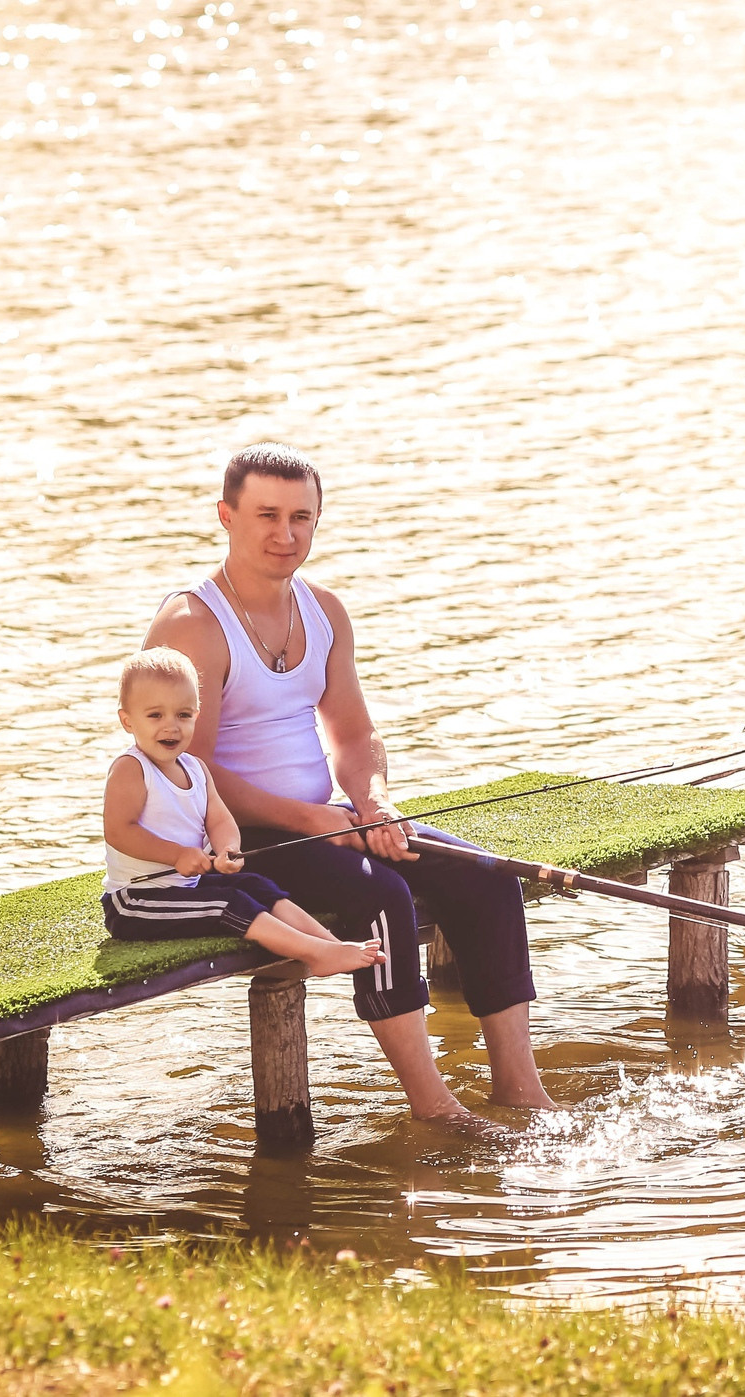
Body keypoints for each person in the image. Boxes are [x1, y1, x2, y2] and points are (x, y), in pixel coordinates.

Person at [142, 443, 558, 1126]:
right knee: (380, 893)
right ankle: (434, 1106)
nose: (286, 534)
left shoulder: (325, 609)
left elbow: (355, 737)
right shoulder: (193, 624)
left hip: (322, 820)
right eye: (267, 516)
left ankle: (520, 1087)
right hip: (233, 837)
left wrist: (373, 803)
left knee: (484, 876)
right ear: (226, 515)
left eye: (301, 517)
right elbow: (194, 772)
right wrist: (315, 822)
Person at [101, 648, 387, 981]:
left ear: (197, 713)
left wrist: (226, 850)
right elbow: (119, 831)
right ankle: (316, 954)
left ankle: (331, 945)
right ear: (127, 720)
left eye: (183, 715)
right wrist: (175, 854)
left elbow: (220, 820)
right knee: (229, 905)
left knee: (254, 885)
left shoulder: (195, 768)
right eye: (155, 716)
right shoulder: (131, 769)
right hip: (138, 901)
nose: (171, 727)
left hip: (187, 886)